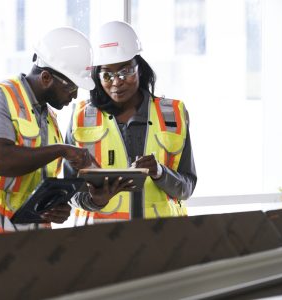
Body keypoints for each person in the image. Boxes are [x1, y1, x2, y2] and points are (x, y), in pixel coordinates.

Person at [0, 27, 97, 236]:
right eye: (71, 87)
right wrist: (60, 150)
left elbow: (32, 186)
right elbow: (0, 161)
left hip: (28, 245)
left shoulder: (49, 119)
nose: (75, 96)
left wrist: (56, 209)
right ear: (46, 78)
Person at [64, 21, 197, 225]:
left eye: (125, 71)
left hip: (162, 238)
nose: (116, 82)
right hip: (98, 243)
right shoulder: (80, 118)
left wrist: (159, 172)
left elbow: (186, 187)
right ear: (97, 77)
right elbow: (70, 189)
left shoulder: (173, 114)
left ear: (139, 69)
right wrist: (94, 200)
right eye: (107, 74)